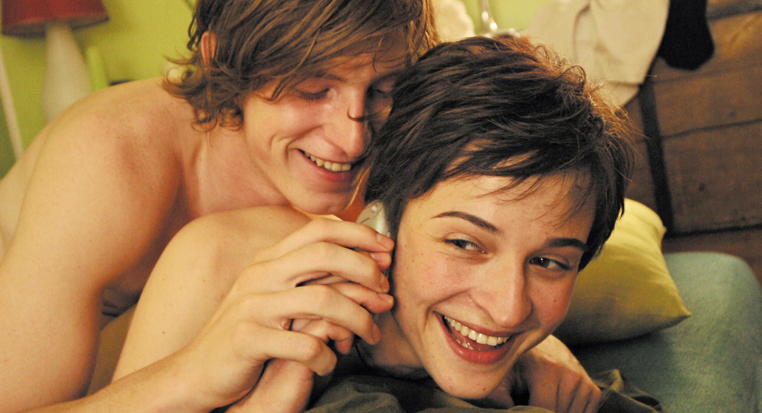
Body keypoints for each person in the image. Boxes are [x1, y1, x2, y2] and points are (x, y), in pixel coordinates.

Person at [113, 34, 637, 412]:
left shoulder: (549, 377)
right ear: (378, 222)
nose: (508, 308)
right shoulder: (221, 256)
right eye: (464, 243)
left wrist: (534, 345)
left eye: (548, 261)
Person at [0, 0, 435, 410]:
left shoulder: (388, 153)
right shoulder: (111, 155)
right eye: (311, 89)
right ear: (220, 59)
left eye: (384, 89)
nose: (353, 141)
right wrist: (191, 374)